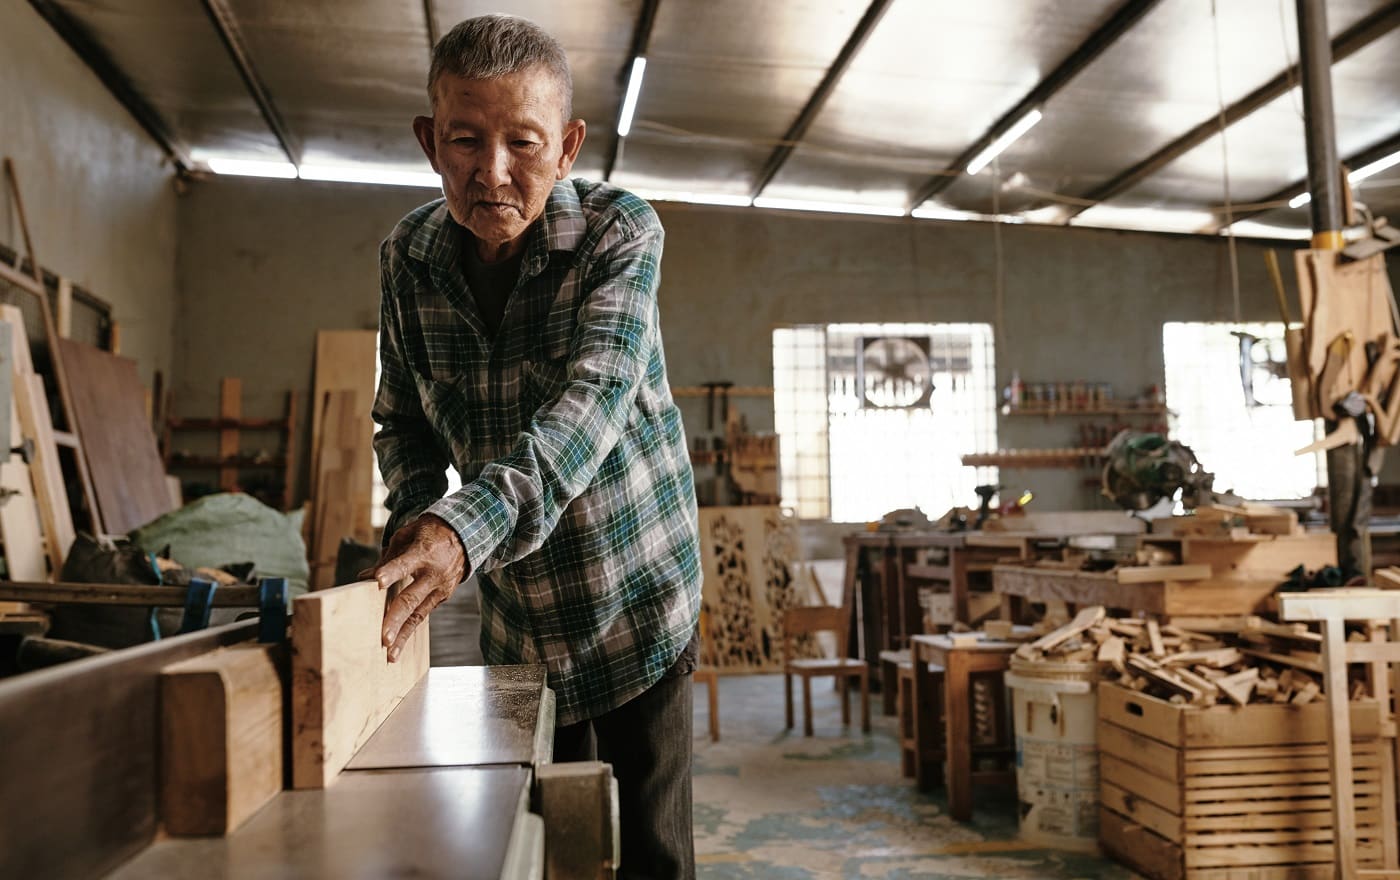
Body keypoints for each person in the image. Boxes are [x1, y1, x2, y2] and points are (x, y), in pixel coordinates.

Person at [369, 13, 701, 879]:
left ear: (567, 147)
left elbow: (587, 409)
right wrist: (414, 524)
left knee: (656, 853)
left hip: (637, 602)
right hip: (522, 627)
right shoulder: (409, 257)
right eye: (465, 141)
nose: (494, 172)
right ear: (428, 142)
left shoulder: (620, 236)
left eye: (524, 142)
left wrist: (460, 533)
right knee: (550, 847)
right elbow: (402, 419)